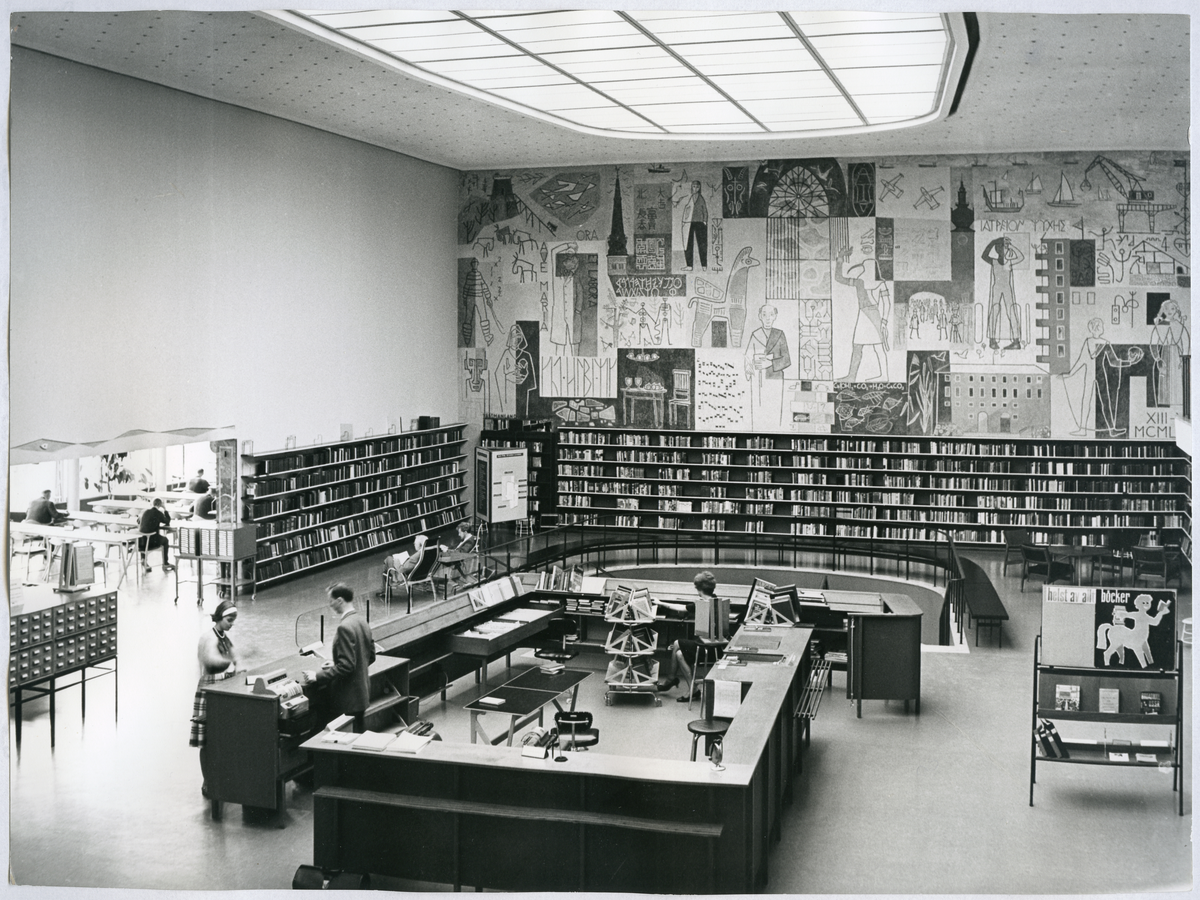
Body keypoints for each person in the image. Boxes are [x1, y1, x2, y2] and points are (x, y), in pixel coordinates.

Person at [655, 572, 744, 702]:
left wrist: (660, 603)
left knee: (677, 643)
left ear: (698, 589)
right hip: (718, 648)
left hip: (707, 648)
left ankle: (670, 680)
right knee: (679, 654)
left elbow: (681, 608)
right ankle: (693, 689)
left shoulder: (702, 604)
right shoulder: (716, 600)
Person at [302, 584, 376, 731]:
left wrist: (317, 676)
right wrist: (336, 663)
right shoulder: (361, 621)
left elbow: (346, 666)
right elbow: (371, 656)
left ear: (340, 600)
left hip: (347, 698)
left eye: (331, 601)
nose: (330, 605)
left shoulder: (344, 627)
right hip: (361, 695)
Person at [190, 598, 239, 799]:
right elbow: (210, 660)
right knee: (208, 741)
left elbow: (235, 657)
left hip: (223, 688)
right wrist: (230, 662)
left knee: (222, 738)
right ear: (219, 617)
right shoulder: (209, 637)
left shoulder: (224, 637)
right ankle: (208, 781)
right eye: (229, 620)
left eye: (234, 620)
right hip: (210, 689)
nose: (231, 624)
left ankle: (221, 778)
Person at [138, 497, 175, 572]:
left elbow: (138, 521)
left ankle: (143, 559)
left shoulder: (145, 511)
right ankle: (165, 563)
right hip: (151, 542)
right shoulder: (158, 513)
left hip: (141, 542)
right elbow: (167, 521)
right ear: (160, 505)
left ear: (152, 504)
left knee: (144, 535)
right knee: (165, 540)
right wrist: (165, 509)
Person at [679, 179, 708, 272]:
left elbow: (705, 210)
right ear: (691, 187)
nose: (695, 188)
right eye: (694, 187)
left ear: (699, 188)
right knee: (688, 243)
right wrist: (684, 221)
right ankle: (689, 265)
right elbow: (686, 210)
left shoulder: (701, 198)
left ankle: (704, 265)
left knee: (702, 244)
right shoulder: (689, 198)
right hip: (689, 223)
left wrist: (705, 221)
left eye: (697, 187)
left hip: (700, 222)